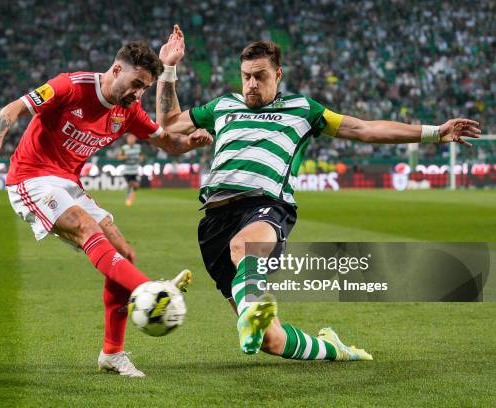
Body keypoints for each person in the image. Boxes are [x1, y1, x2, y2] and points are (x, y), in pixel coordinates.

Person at [156, 26, 481, 361]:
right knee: (273, 341)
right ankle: (335, 349)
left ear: (277, 74)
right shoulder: (222, 106)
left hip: (266, 206)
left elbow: (364, 129)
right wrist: (168, 68)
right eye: (246, 76)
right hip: (214, 220)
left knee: (244, 246)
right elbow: (168, 122)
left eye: (260, 76)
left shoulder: (303, 109)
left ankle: (255, 307)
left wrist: (434, 133)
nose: (252, 84)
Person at [0, 41, 213, 377]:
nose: (139, 94)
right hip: (30, 178)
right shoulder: (71, 86)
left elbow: (169, 142)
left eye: (145, 88)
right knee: (86, 229)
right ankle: (151, 290)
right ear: (116, 70)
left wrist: (191, 142)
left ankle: (112, 353)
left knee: (124, 254)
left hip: (68, 184)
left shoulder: (128, 111)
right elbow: (13, 108)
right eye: (137, 84)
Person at [117, 133, 143, 207]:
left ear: (135, 140)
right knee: (131, 183)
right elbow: (119, 157)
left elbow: (142, 156)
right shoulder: (124, 148)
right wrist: (124, 157)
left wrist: (141, 158)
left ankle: (130, 194)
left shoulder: (138, 147)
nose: (131, 140)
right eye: (130, 138)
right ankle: (129, 198)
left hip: (135, 169)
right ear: (127, 140)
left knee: (136, 185)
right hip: (127, 170)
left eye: (133, 138)